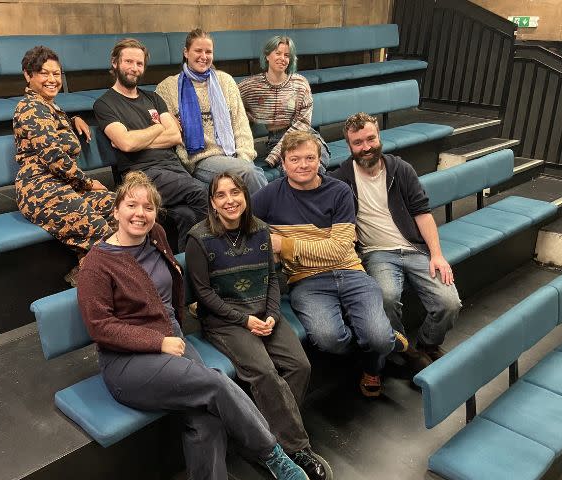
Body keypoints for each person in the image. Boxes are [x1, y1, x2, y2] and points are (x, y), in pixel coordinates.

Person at [76, 171, 311, 480]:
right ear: (115, 210)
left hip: (171, 339)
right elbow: (100, 328)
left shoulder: (155, 235)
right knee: (214, 382)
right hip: (127, 361)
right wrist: (157, 341)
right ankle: (270, 453)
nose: (140, 214)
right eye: (131, 205)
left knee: (207, 422)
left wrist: (171, 330)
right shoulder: (97, 265)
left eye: (148, 207)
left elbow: (166, 293)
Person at [185, 172, 332, 480]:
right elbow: (203, 295)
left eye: (235, 192)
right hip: (225, 321)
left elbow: (271, 280)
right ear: (212, 203)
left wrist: (274, 316)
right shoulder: (199, 238)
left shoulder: (261, 230)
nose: (230, 200)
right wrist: (244, 320)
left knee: (300, 365)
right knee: (265, 372)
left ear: (245, 196)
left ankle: (261, 435)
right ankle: (297, 450)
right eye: (221, 195)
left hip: (264, 315)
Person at [252, 131, 408, 398]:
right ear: (283, 164)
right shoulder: (269, 195)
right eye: (295, 159)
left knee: (380, 339)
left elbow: (339, 250)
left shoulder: (338, 190)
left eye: (310, 158)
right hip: (306, 281)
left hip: (351, 272)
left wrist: (285, 245)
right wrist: (267, 239)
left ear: (320, 160)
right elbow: (242, 226)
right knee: (330, 340)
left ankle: (374, 363)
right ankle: (371, 342)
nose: (303, 165)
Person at [330, 112, 462, 371]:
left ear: (379, 137)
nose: (366, 147)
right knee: (387, 297)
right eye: (358, 142)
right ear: (349, 146)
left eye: (370, 139)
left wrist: (436, 254)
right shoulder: (341, 179)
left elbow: (422, 214)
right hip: (376, 253)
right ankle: (403, 351)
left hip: (414, 248)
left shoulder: (400, 169)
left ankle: (425, 346)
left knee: (449, 303)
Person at [93, 38, 208, 251]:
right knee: (201, 192)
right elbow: (126, 144)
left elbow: (175, 136)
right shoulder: (105, 104)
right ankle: (212, 255)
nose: (134, 68)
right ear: (115, 63)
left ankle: (184, 265)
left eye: (139, 64)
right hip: (142, 175)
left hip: (173, 169)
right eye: (128, 61)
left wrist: (139, 139)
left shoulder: (153, 98)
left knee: (187, 215)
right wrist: (157, 128)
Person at [13, 45, 114, 283]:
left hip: (65, 186)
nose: (52, 79)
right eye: (44, 73)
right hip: (40, 190)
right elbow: (54, 157)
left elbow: (53, 127)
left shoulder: (51, 108)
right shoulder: (29, 108)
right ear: (28, 76)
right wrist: (88, 183)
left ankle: (84, 277)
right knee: (101, 231)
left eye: (56, 74)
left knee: (119, 209)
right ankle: (102, 286)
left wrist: (73, 119)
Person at [156, 28, 267, 194]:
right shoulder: (168, 87)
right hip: (201, 159)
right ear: (186, 52)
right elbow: (168, 132)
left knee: (248, 171)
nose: (204, 56)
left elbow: (241, 125)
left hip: (233, 157)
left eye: (208, 51)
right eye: (198, 51)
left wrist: (244, 158)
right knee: (250, 174)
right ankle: (273, 217)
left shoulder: (225, 81)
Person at [238, 35, 330, 171]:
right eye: (278, 53)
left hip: (305, 134)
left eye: (287, 55)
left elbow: (303, 124)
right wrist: (248, 116)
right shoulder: (251, 86)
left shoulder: (300, 83)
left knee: (317, 166)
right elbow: (232, 102)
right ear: (267, 56)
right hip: (276, 139)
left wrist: (275, 155)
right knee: (294, 170)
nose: (282, 58)